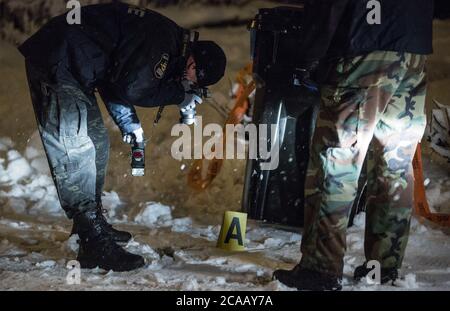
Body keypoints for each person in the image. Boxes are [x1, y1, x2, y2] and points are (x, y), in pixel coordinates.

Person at [19, 2, 226, 272]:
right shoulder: (161, 42)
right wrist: (178, 95)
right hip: (58, 59)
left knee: (98, 143)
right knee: (77, 150)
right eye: (194, 78)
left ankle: (91, 223)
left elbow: (116, 79)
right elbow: (135, 88)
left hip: (76, 66)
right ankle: (93, 242)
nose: (189, 83)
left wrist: (130, 124)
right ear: (193, 60)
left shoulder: (170, 45)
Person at [273, 0, 434, 290]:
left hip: (363, 47)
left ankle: (320, 270)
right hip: (413, 46)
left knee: (336, 162)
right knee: (395, 163)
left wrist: (309, 58)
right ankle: (383, 266)